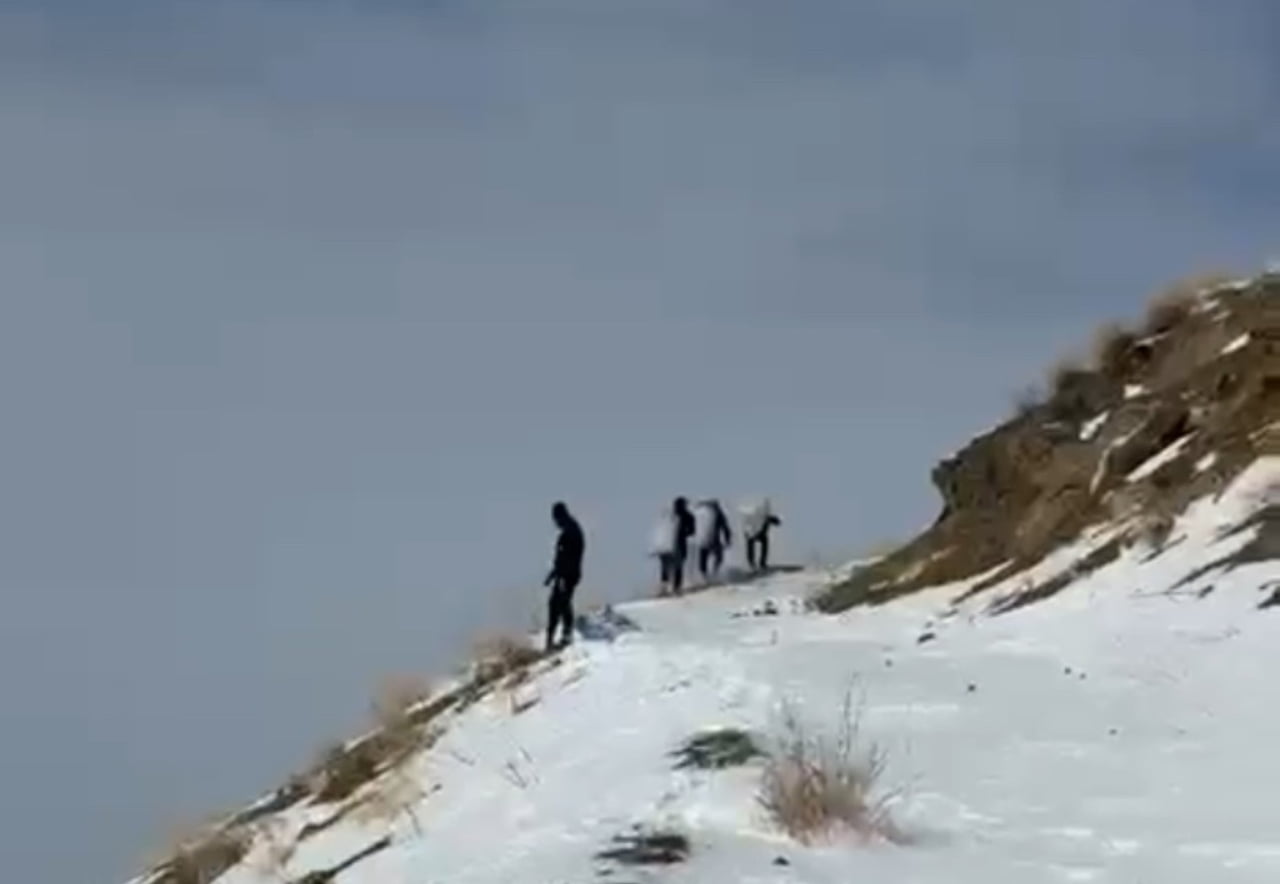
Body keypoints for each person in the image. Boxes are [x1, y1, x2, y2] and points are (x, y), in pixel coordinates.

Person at [544, 501, 584, 652]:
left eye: (555, 519)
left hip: (568, 574)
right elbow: (561, 558)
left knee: (562, 602)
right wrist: (552, 575)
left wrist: (560, 574)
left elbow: (567, 558)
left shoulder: (571, 531)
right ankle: (550, 641)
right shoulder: (570, 529)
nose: (555, 523)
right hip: (565, 574)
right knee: (555, 604)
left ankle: (566, 635)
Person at [651, 496, 696, 595]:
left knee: (665, 567)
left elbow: (660, 529)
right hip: (679, 545)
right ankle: (676, 588)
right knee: (678, 567)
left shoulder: (668, 515)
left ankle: (664, 587)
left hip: (666, 545)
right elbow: (692, 532)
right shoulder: (688, 516)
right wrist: (684, 533)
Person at [693, 498, 732, 583]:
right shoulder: (717, 513)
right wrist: (728, 539)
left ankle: (705, 576)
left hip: (703, 540)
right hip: (713, 539)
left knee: (704, 558)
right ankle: (713, 573)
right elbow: (725, 527)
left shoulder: (700, 512)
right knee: (718, 557)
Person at [740, 498, 781, 572]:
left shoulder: (767, 516)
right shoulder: (756, 513)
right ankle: (752, 564)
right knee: (751, 542)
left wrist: (777, 520)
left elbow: (776, 521)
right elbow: (747, 521)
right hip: (752, 532)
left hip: (761, 534)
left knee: (765, 541)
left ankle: (762, 563)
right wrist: (746, 531)